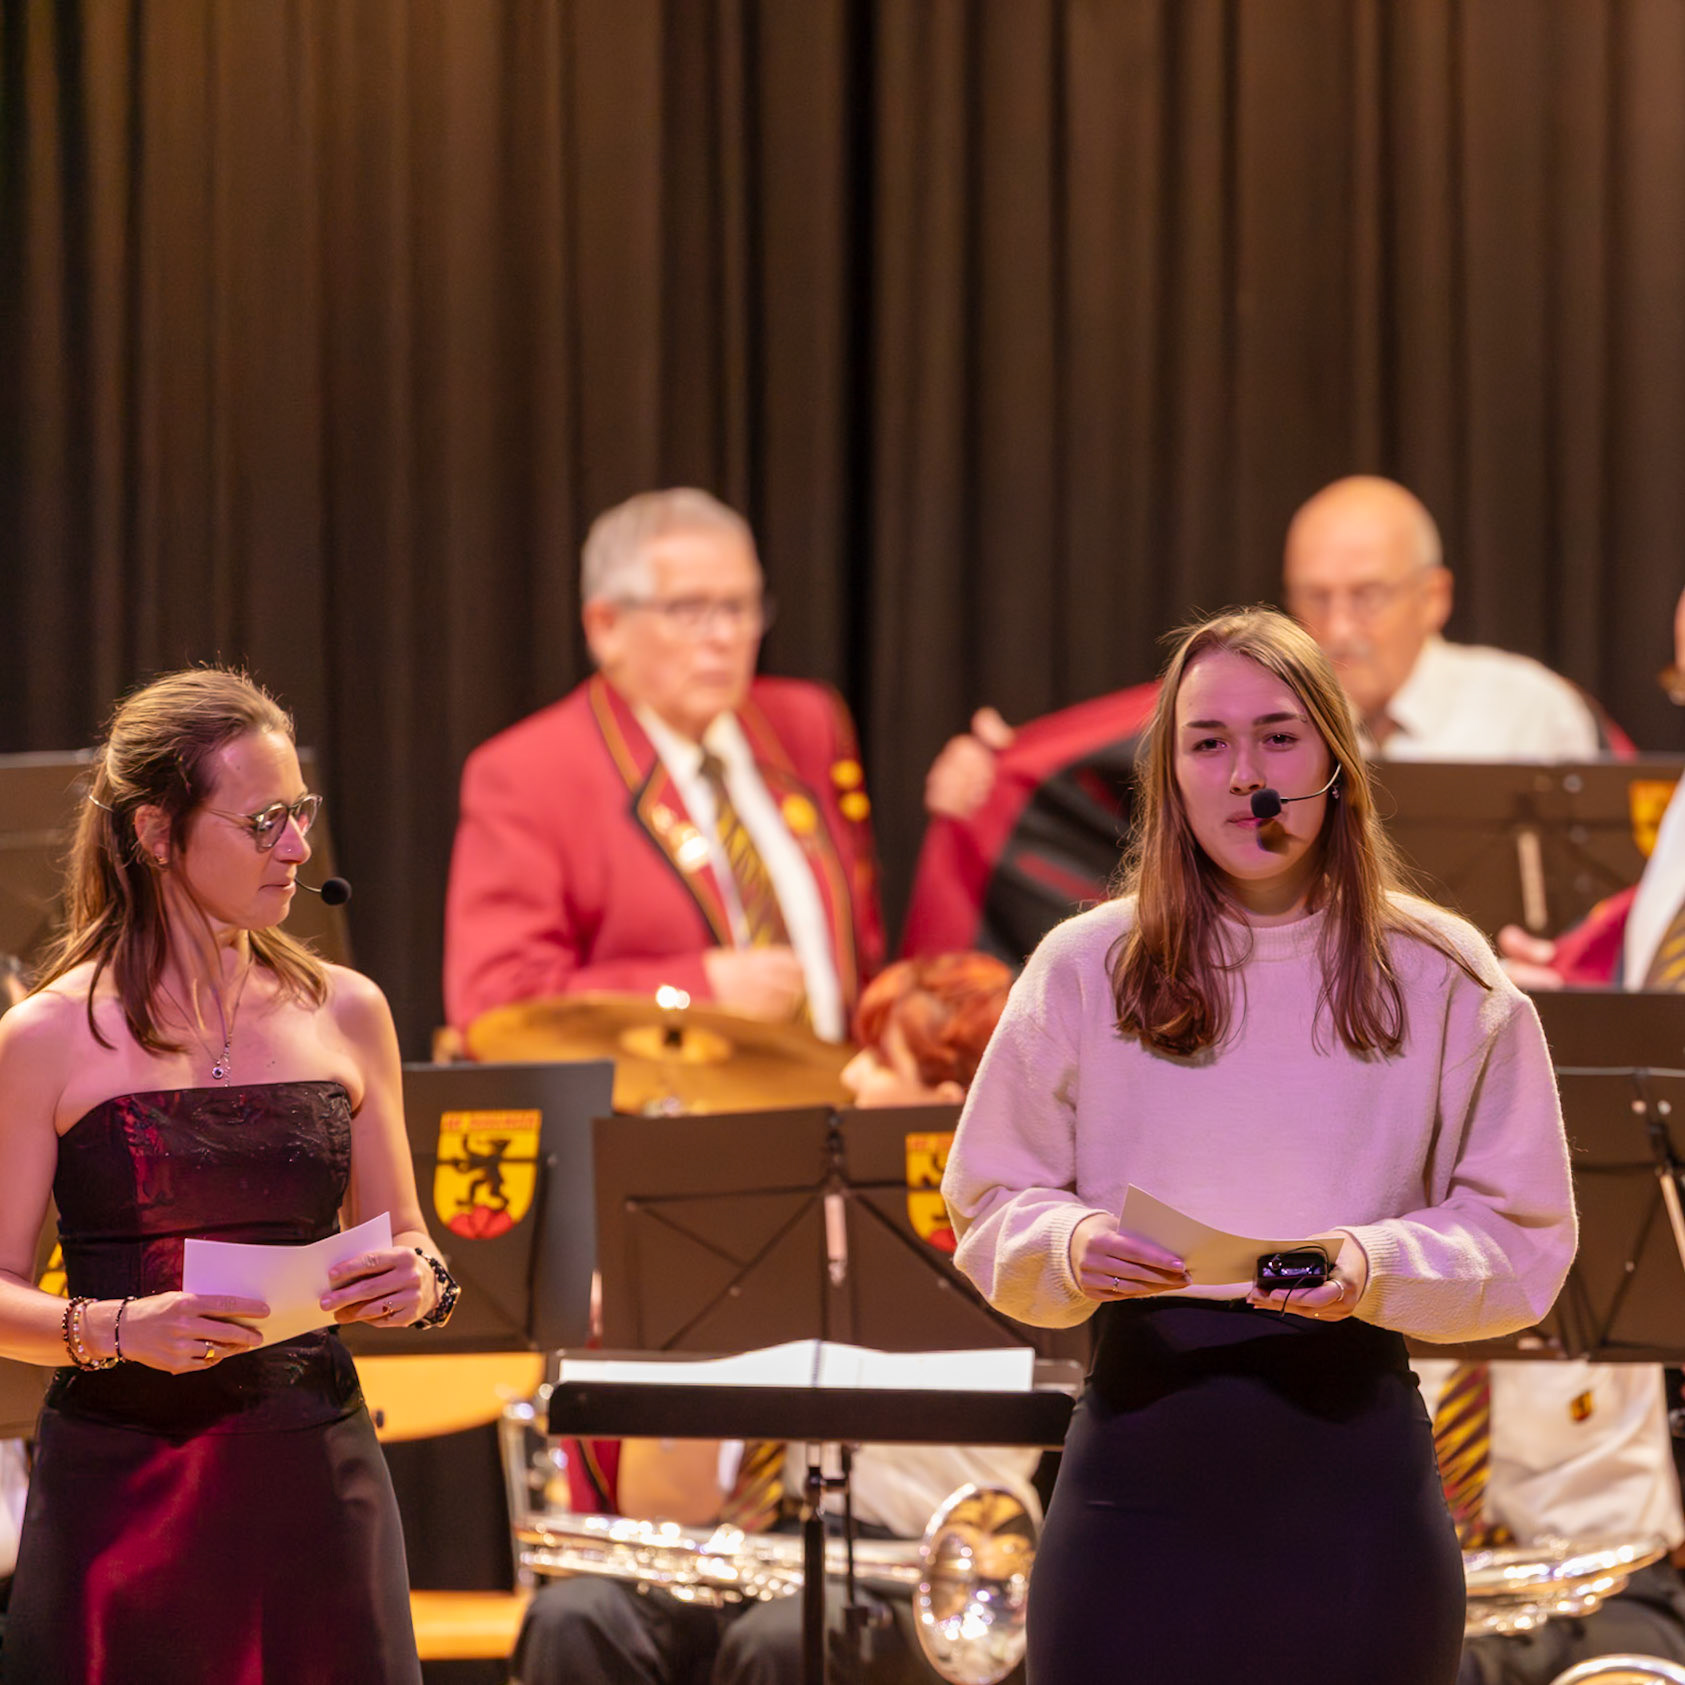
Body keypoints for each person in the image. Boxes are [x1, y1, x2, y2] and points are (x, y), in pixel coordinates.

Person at [941, 606, 1577, 1684]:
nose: (1244, 773)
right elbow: (990, 1197)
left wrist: (1371, 1263)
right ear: (1169, 769)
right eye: (1207, 741)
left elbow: (1520, 1235)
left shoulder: (1441, 971)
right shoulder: (1081, 966)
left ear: (1334, 758)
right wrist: (1070, 1240)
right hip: (1136, 1479)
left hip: (1352, 1488)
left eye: (1277, 736)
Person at [0, 668, 459, 1682]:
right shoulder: (43, 1035)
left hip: (316, 1470)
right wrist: (121, 1328)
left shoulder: (347, 1009)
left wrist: (418, 1281)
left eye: (299, 812)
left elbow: (412, 1238)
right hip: (126, 1490)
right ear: (156, 833)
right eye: (262, 821)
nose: (297, 845)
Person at [511, 950, 1038, 1685]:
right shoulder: (790, 1224)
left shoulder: (1010, 1242)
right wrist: (671, 1314)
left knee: (784, 1643)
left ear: (947, 1103)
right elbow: (671, 1494)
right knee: (575, 1616)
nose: (850, 1076)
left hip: (918, 1560)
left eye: (880, 1060)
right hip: (773, 1542)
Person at [905, 475, 1630, 960]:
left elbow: (1608, 903)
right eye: (1314, 598)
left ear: (1433, 596)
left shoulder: (1530, 711)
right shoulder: (1261, 705)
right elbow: (1107, 767)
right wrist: (994, 771)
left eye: (1366, 595)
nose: (1339, 627)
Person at [444, 487, 883, 1037]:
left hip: (841, 1101)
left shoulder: (807, 721)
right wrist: (695, 993)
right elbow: (496, 1002)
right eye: (689, 611)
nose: (724, 636)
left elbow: (861, 940)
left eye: (739, 607)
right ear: (605, 627)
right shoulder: (529, 772)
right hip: (660, 1114)